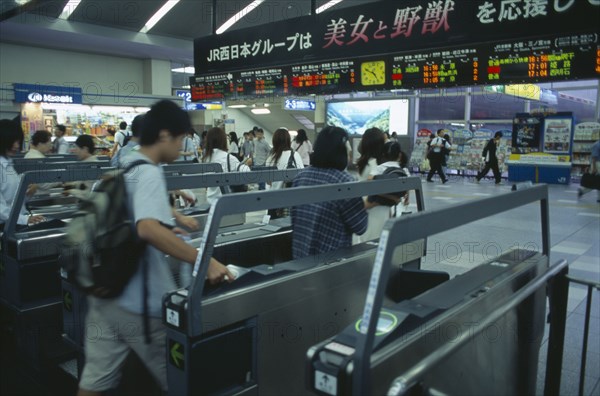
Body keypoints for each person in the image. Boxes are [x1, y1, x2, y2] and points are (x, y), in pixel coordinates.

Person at [77, 100, 234, 396]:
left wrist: (169, 220)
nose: (181, 145)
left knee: (95, 381)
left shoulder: (128, 159)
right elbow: (146, 228)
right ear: (164, 135)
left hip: (106, 292)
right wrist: (205, 261)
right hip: (140, 303)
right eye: (180, 138)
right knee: (179, 379)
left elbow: (131, 214)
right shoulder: (148, 171)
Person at [291, 126, 369, 259]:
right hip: (330, 265)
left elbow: (294, 217)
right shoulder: (344, 182)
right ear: (342, 152)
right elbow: (360, 226)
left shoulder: (301, 177)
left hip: (300, 260)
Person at [0, 119, 45, 228]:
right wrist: (25, 219)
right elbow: (1, 209)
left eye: (18, 141)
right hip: (6, 226)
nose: (16, 146)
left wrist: (29, 192)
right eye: (13, 141)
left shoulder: (8, 164)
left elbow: (14, 199)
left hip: (15, 222)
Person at [360, 141, 406, 242]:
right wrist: (394, 198)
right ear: (399, 155)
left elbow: (370, 183)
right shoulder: (403, 171)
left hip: (377, 209)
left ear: (383, 155)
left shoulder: (379, 169)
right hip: (395, 210)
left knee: (375, 237)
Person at [201, 127, 252, 204]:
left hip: (210, 200)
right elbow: (247, 172)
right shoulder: (229, 158)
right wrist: (246, 164)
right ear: (223, 141)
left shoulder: (205, 159)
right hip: (226, 200)